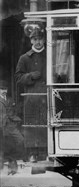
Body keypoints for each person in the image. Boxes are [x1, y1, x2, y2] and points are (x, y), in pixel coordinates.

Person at [15, 20, 47, 163]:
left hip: (47, 97)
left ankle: (46, 152)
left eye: (40, 39)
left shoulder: (50, 55)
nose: (38, 42)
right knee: (33, 125)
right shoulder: (24, 58)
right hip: (32, 98)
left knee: (46, 124)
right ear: (31, 41)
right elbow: (18, 78)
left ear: (44, 39)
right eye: (35, 39)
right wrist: (30, 76)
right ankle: (33, 153)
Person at [1, 80, 24, 174]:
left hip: (11, 126)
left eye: (5, 89)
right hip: (1, 127)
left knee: (20, 140)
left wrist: (17, 119)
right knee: (4, 147)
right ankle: (11, 167)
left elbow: (13, 112)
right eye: (2, 89)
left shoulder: (10, 99)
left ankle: (12, 164)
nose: (4, 91)